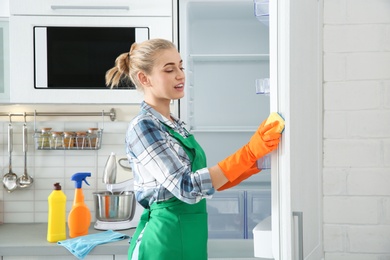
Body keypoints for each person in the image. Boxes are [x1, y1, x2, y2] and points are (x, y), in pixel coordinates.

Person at [105, 38, 281, 260]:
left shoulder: (175, 125)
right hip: (163, 243)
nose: (180, 75)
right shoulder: (144, 127)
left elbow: (204, 182)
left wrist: (253, 161)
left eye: (180, 66)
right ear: (144, 78)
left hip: (189, 238)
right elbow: (187, 187)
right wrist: (248, 153)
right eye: (169, 70)